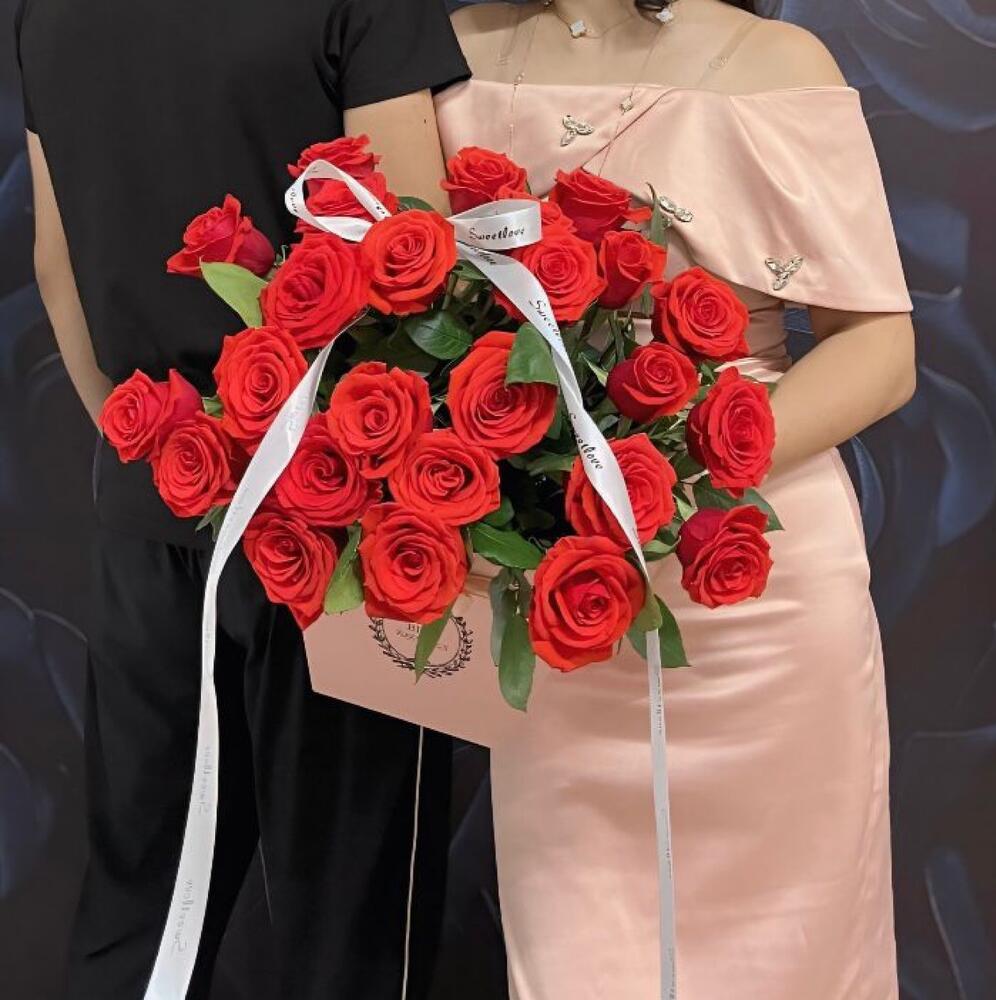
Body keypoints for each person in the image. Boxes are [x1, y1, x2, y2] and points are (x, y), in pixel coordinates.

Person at [438, 1, 915, 997]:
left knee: (791, 954)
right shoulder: (446, 58)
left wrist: (674, 471)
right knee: (578, 953)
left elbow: (880, 349)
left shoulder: (778, 60)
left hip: (758, 600)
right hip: (560, 610)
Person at [14, 1, 469, 997]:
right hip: (338, 526)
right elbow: (414, 262)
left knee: (140, 913)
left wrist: (155, 447)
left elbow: (57, 265)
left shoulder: (47, 12)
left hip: (158, 506)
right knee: (351, 925)